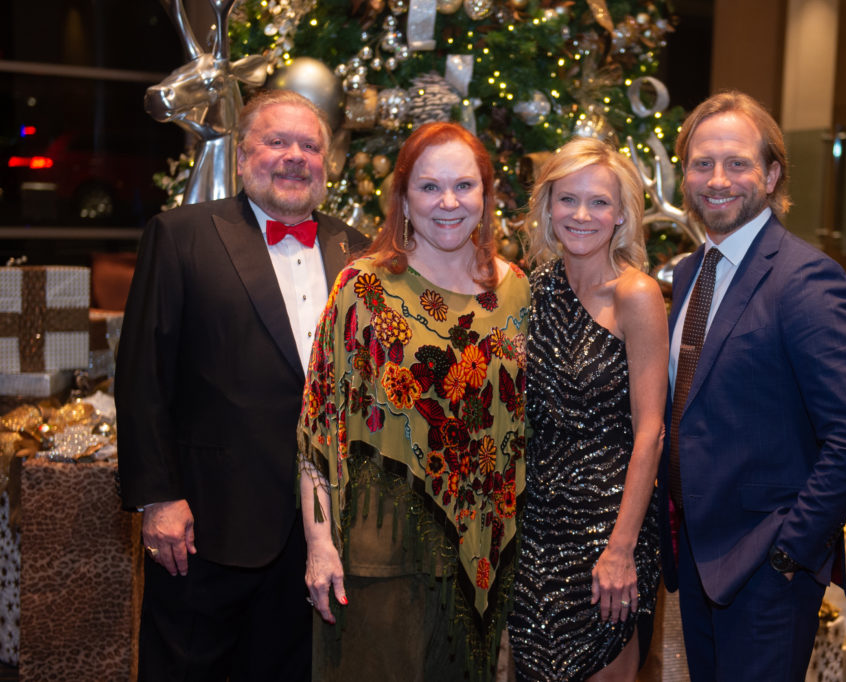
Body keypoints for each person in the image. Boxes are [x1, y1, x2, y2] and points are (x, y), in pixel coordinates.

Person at [116, 89, 369, 681]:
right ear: (243, 152)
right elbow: (143, 375)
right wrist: (158, 499)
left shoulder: (355, 250)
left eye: (309, 146)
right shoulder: (182, 235)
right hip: (207, 523)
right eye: (277, 141)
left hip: (321, 531)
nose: (294, 157)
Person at [659, 89, 846, 681]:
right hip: (699, 560)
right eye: (702, 163)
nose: (717, 179)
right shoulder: (690, 272)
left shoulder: (806, 280)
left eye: (737, 163)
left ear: (772, 173)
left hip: (764, 572)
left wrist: (788, 552)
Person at [296, 121, 529, 681]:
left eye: (464, 186)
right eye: (429, 187)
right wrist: (319, 545)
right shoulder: (362, 288)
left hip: (485, 564)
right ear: (402, 197)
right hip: (381, 557)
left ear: (486, 196)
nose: (448, 203)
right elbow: (317, 427)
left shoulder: (517, 288)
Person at [507, 137, 668, 681]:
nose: (582, 215)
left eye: (599, 201)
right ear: (547, 208)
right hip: (536, 533)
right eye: (567, 199)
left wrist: (621, 550)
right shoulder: (532, 291)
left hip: (608, 533)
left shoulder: (636, 295)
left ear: (621, 214)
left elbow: (651, 435)